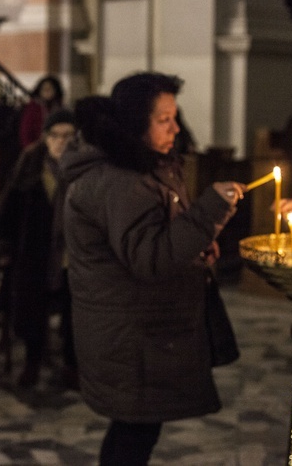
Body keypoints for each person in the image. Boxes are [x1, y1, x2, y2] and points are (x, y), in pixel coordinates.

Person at [61, 72, 243, 465]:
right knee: (134, 433)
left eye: (175, 117)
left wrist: (196, 247)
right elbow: (152, 258)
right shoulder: (121, 181)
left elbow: (153, 240)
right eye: (164, 119)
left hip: (136, 327)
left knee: (137, 429)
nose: (176, 128)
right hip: (131, 333)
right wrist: (209, 211)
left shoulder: (138, 168)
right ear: (134, 123)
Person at [0, 108, 78, 388]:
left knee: (73, 310)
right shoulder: (31, 163)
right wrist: (4, 245)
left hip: (71, 253)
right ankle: (32, 361)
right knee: (32, 308)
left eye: (68, 135)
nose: (61, 142)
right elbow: (10, 204)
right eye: (55, 135)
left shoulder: (81, 167)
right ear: (46, 137)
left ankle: (71, 365)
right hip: (34, 249)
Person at [18, 75, 64, 149]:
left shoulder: (60, 108)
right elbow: (25, 131)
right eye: (45, 89)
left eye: (50, 89)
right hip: (36, 147)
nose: (47, 92)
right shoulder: (33, 108)